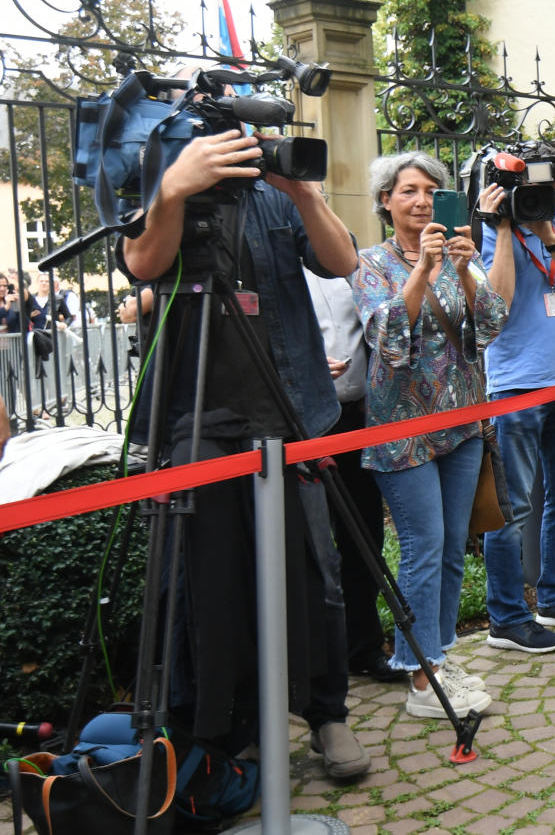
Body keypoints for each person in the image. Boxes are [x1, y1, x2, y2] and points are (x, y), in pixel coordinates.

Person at [119, 113, 371, 780]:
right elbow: (143, 264)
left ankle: (325, 713)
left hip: (289, 414)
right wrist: (173, 190)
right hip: (199, 418)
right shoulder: (167, 186)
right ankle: (234, 729)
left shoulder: (271, 198)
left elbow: (343, 261)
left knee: (317, 575)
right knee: (213, 584)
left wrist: (304, 191)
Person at [353, 151, 510, 718]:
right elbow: (390, 338)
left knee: (449, 549)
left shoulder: (460, 257)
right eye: (408, 191)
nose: (421, 201)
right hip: (403, 430)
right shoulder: (368, 263)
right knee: (422, 547)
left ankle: (438, 657)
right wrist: (422, 267)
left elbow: (492, 323)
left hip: (463, 421)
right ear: (385, 202)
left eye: (430, 191)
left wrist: (466, 269)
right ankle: (421, 678)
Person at [480, 151, 555, 654]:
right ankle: (506, 618)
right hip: (513, 390)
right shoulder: (485, 234)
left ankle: (554, 598)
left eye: (549, 189)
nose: (542, 198)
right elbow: (498, 307)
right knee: (512, 509)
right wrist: (507, 229)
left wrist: (549, 235)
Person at [303, 266, 405, 685]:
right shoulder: (270, 266)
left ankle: (362, 648)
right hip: (303, 422)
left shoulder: (346, 265)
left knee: (363, 537)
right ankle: (314, 660)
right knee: (311, 546)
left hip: (356, 419)